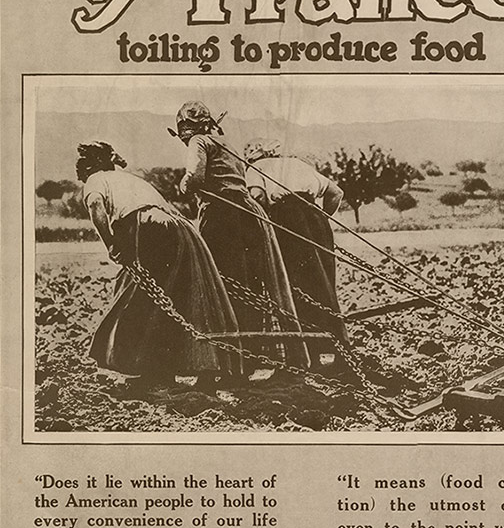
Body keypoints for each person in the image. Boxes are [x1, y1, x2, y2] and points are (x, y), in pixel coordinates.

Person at [76, 140, 241, 392]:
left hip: (148, 226)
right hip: (182, 228)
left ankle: (153, 371)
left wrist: (110, 243)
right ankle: (200, 371)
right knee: (185, 298)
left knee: (143, 299)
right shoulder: (130, 180)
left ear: (90, 167)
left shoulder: (96, 179)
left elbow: (95, 205)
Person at [171, 102, 310, 373]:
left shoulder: (199, 142)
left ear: (185, 129)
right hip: (248, 214)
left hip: (222, 216)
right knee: (249, 285)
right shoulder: (226, 143)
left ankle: (229, 365)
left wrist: (183, 185)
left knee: (220, 286)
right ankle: (249, 359)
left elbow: (195, 178)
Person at [244, 139, 349, 366]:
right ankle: (334, 349)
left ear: (251, 156)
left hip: (287, 221)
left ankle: (309, 352)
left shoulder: (256, 168)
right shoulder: (299, 165)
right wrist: (319, 217)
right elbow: (336, 193)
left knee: (297, 286)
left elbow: (258, 197)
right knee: (323, 284)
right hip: (317, 222)